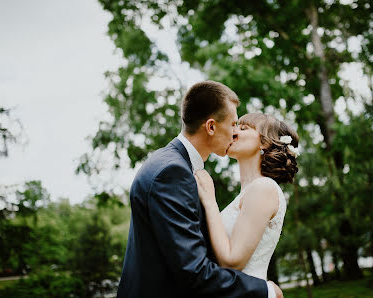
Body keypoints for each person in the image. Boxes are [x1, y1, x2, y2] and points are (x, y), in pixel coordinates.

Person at [117, 81, 283, 297]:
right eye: (234, 124)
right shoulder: (172, 173)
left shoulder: (172, 165)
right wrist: (266, 291)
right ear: (211, 127)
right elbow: (193, 271)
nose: (235, 133)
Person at [195, 113, 299, 280]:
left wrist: (209, 202)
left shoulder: (264, 188)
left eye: (243, 128)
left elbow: (232, 263)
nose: (233, 131)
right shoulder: (248, 193)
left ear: (265, 142)